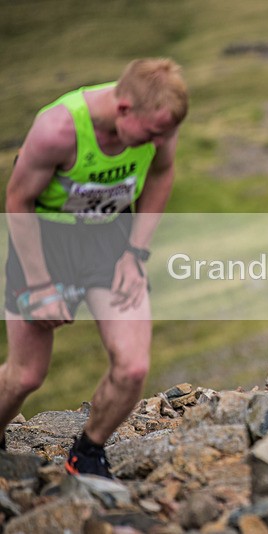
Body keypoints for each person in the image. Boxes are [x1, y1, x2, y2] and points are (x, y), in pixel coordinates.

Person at [0, 58, 189, 477]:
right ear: (123, 110)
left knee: (133, 366)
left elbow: (161, 174)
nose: (159, 141)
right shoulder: (58, 130)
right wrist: (40, 285)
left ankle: (86, 453)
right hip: (45, 242)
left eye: (166, 133)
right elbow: (17, 201)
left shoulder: (160, 122)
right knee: (26, 376)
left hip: (110, 239)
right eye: (153, 133)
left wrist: (135, 253)